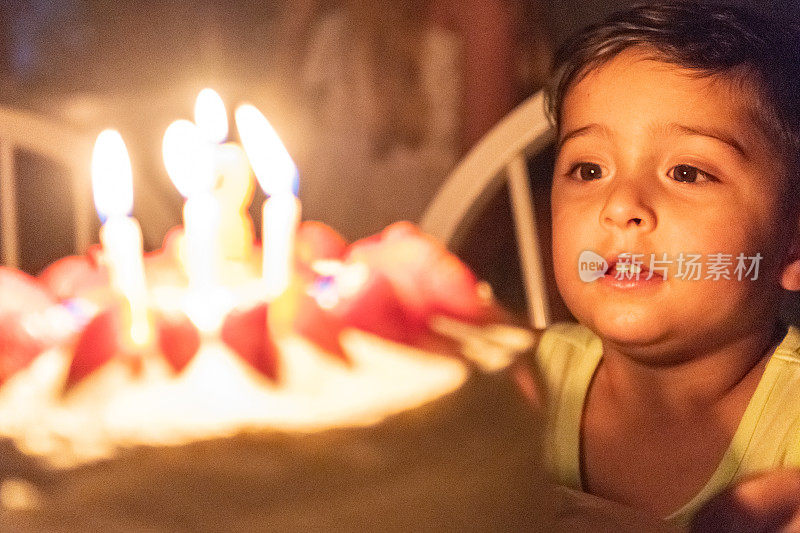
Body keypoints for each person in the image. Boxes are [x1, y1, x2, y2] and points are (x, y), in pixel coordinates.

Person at [516, 2, 800, 530]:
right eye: (589, 168)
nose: (620, 205)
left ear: (792, 245)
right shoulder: (518, 384)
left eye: (688, 172)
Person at [277, 0, 534, 242]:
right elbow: (285, 123)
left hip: (416, 252)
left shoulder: (477, 11)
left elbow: (484, 195)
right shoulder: (315, 11)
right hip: (310, 246)